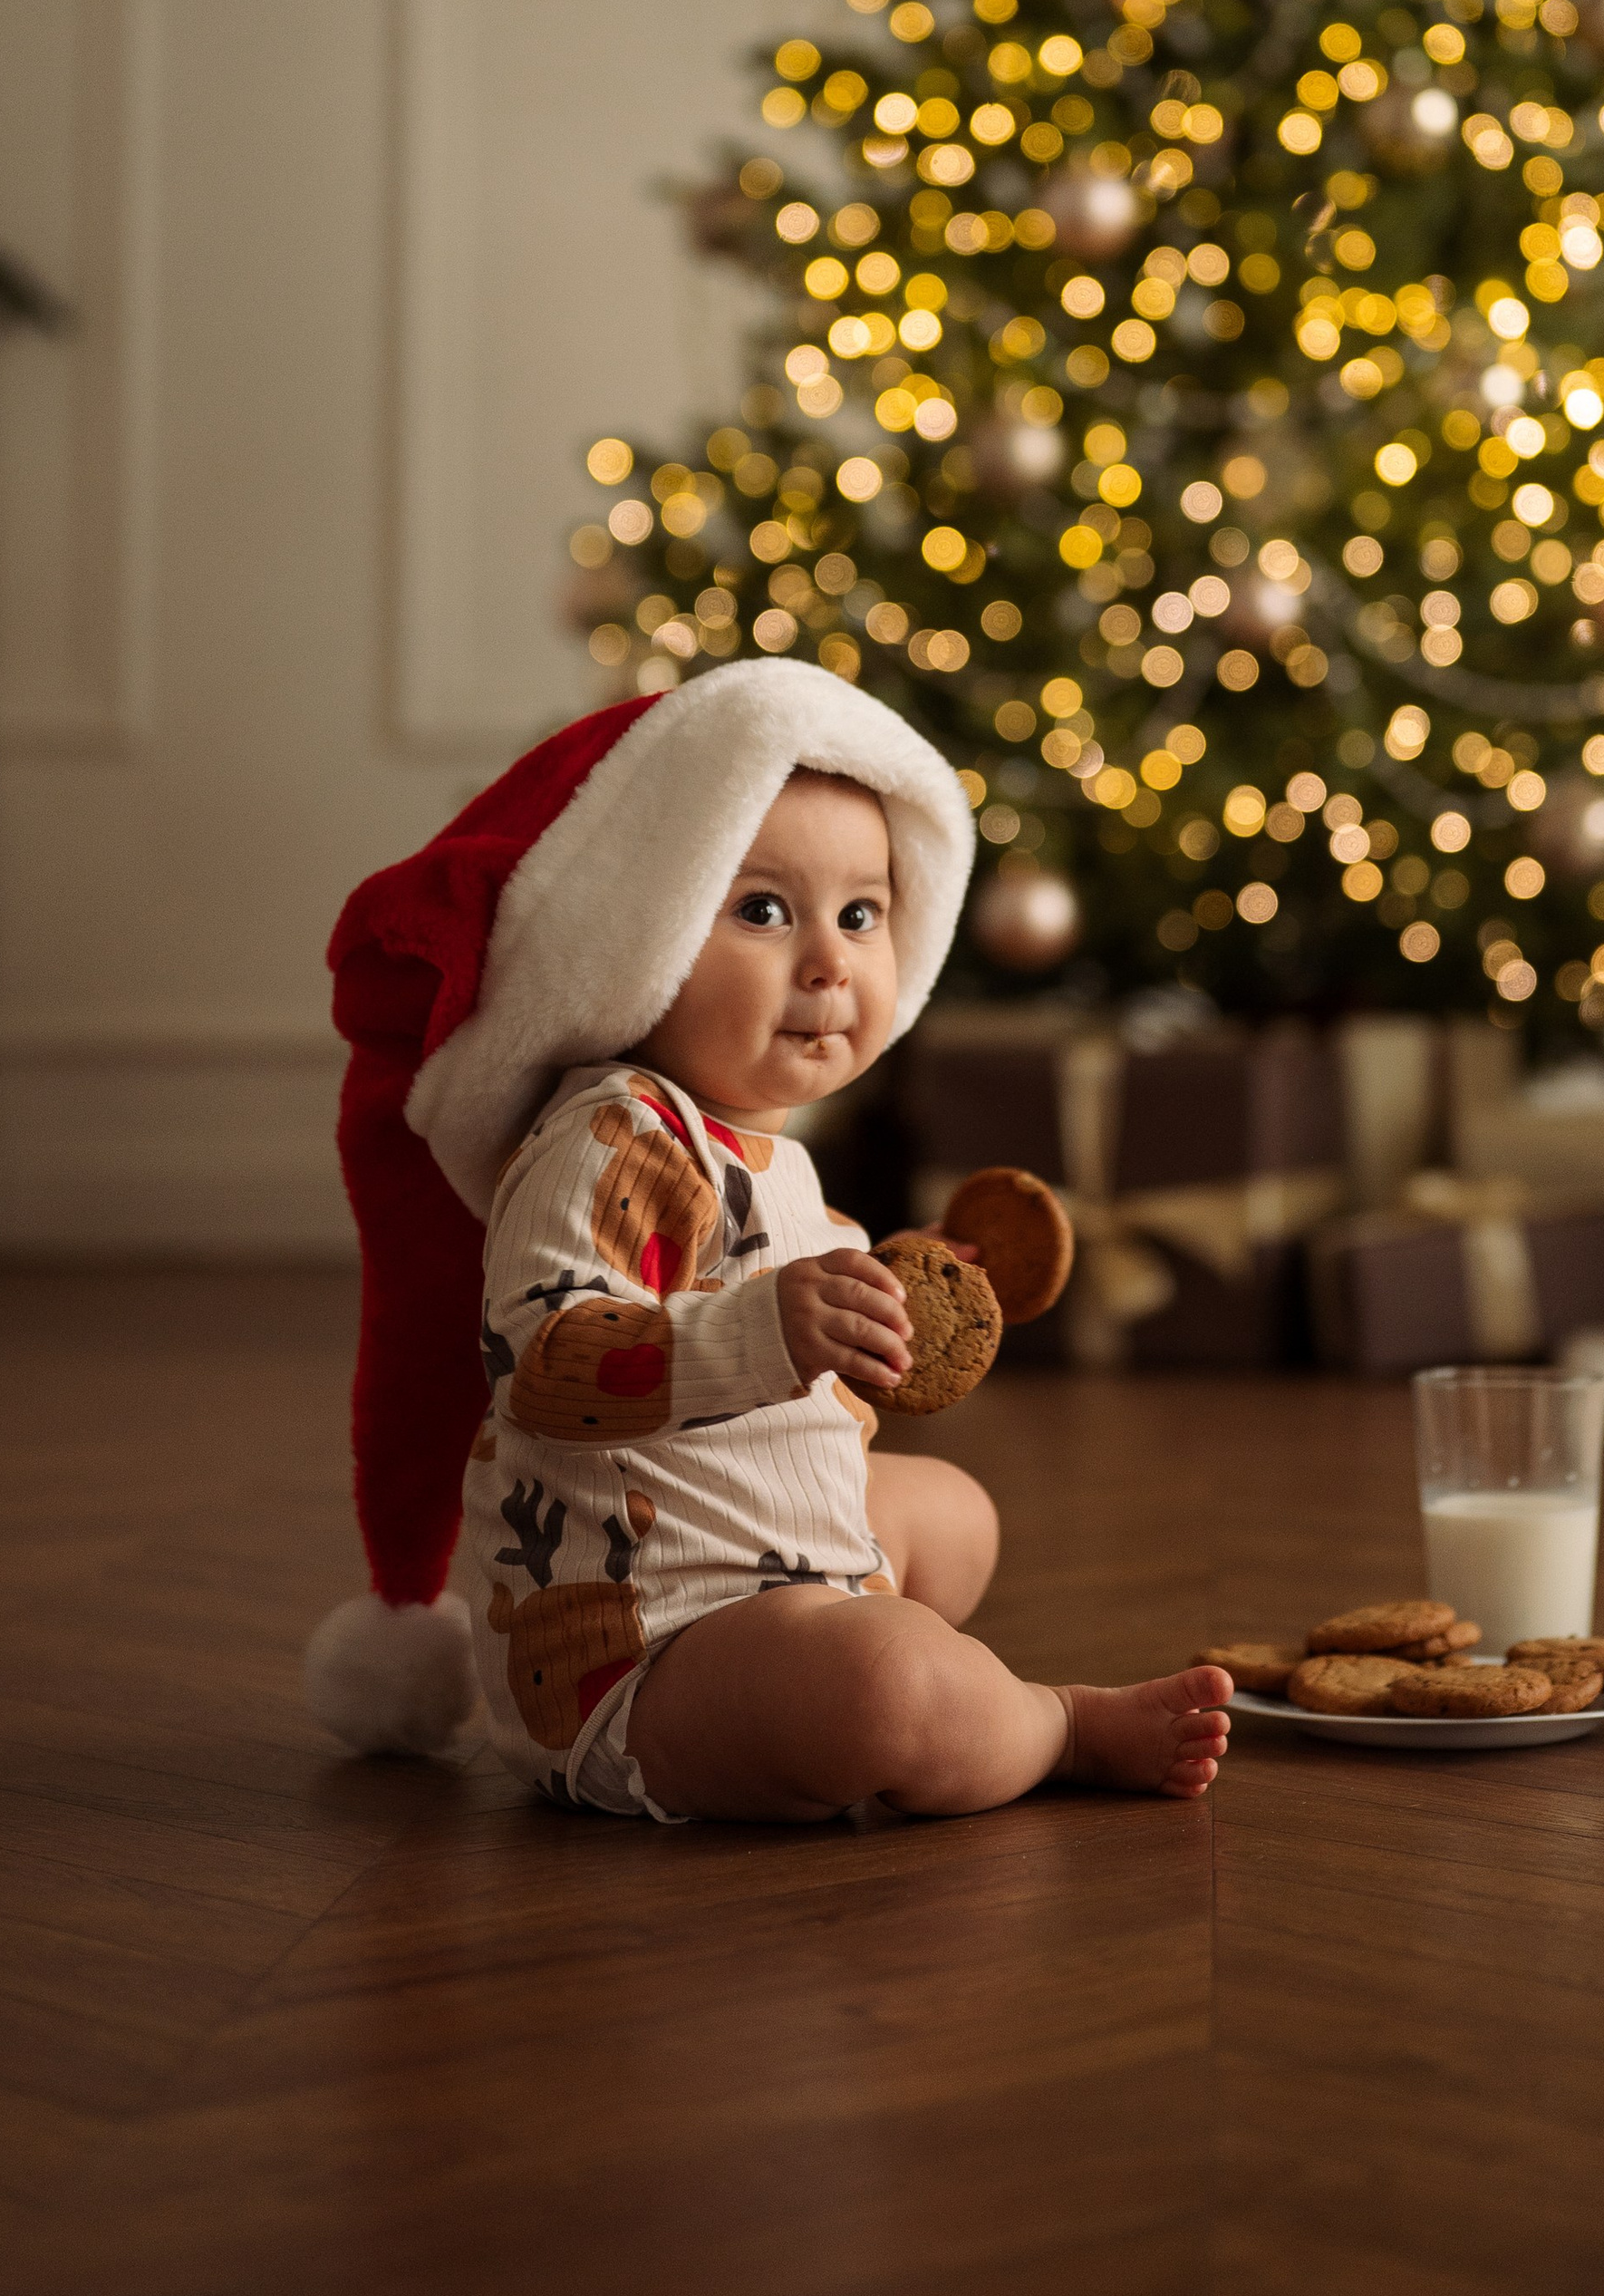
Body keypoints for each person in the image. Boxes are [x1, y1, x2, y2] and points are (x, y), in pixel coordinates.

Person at [305, 661, 1232, 1824]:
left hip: (764, 1565)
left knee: (955, 1512)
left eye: (861, 913)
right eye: (760, 909)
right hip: (641, 1640)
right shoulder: (610, 1135)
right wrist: (772, 1324)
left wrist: (889, 1288)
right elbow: (548, 1364)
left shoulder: (775, 1162)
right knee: (886, 1685)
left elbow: (795, 1397)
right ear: (634, 939)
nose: (828, 961)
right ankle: (1047, 1723)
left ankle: (853, 1668)